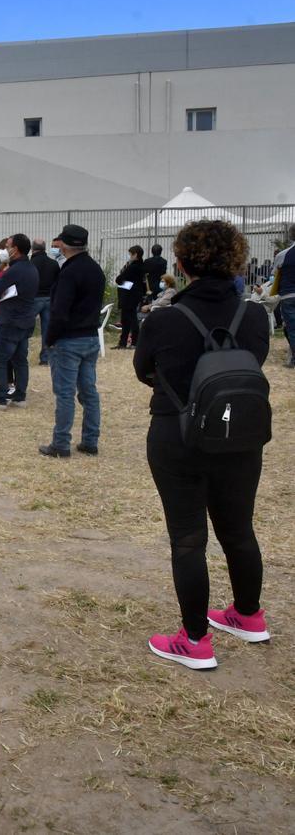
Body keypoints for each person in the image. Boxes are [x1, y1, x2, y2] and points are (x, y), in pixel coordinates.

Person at [135, 220, 272, 670]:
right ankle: (249, 616)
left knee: (189, 539)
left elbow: (144, 370)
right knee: (238, 530)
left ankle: (195, 640)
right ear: (237, 261)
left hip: (176, 433)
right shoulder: (252, 316)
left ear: (180, 262)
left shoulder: (164, 319)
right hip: (239, 433)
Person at [39, 225, 105, 457]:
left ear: (64, 245)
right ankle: (90, 440)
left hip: (68, 340)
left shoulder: (69, 272)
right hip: (90, 337)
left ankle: (61, 443)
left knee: (65, 394)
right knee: (89, 392)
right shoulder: (95, 269)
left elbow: (59, 311)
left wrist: (50, 339)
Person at [0, 234, 38, 410]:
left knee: (0, 360)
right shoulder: (32, 269)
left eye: (8, 246)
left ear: (16, 249)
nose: (5, 250)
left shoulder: (13, 270)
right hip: (26, 320)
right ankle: (20, 397)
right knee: (20, 360)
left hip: (10, 321)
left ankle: (0, 399)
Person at [31, 239, 60, 365]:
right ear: (45, 248)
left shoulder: (30, 263)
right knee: (47, 329)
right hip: (49, 299)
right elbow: (58, 282)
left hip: (33, 298)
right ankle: (45, 358)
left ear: (33, 249)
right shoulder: (53, 264)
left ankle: (21, 354)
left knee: (25, 326)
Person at [115, 245, 148, 349]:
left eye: (131, 254)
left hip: (129, 295)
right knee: (131, 318)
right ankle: (132, 341)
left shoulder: (133, 267)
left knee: (127, 319)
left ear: (135, 255)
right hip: (136, 295)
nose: (129, 256)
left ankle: (125, 342)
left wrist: (124, 272)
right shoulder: (142, 266)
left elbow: (119, 279)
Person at [273, 224, 295, 367]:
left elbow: (275, 274)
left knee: (292, 328)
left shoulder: (283, 255)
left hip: (288, 295)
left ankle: (293, 358)